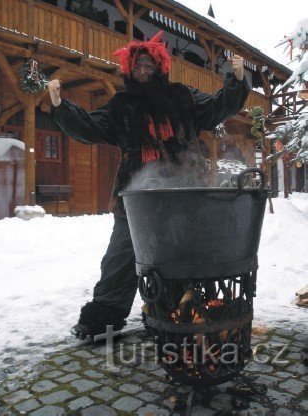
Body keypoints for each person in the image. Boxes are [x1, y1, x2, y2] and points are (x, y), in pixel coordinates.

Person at [48, 31, 250, 339]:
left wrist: (236, 80)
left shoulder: (183, 97)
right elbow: (90, 127)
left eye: (149, 67)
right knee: (119, 259)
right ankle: (103, 320)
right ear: (130, 70)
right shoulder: (121, 106)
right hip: (134, 200)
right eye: (138, 67)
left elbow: (215, 109)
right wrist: (60, 105)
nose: (143, 72)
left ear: (160, 68)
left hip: (182, 199)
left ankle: (171, 316)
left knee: (175, 262)